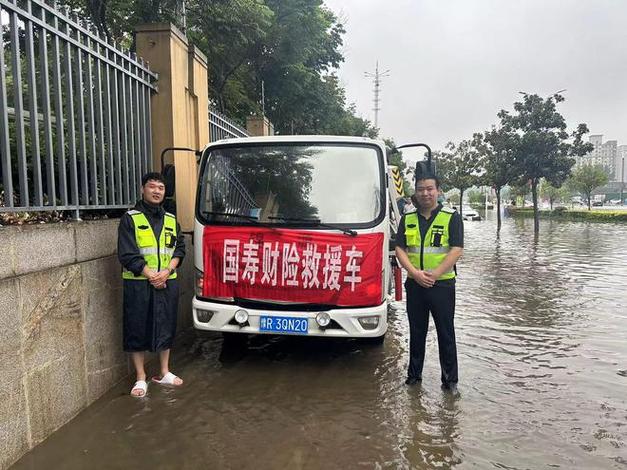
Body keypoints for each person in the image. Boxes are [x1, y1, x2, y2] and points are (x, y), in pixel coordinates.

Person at [117, 172, 186, 397]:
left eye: (161, 188)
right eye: (152, 186)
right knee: (136, 327)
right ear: (142, 189)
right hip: (138, 284)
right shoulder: (131, 218)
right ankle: (140, 377)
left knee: (166, 325)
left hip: (167, 282)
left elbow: (180, 250)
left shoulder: (171, 219)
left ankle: (164, 371)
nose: (157, 191)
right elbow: (127, 254)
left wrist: (166, 272)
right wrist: (151, 275)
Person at [395, 171, 464, 391]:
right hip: (415, 285)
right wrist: (415, 273)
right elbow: (400, 248)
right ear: (415, 192)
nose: (425, 193)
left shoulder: (451, 217)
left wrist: (434, 274)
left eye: (429, 189)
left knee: (446, 332)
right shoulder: (408, 219)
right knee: (416, 331)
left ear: (438, 191)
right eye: (421, 189)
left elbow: (456, 249)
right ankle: (414, 376)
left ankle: (450, 381)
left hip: (442, 285)